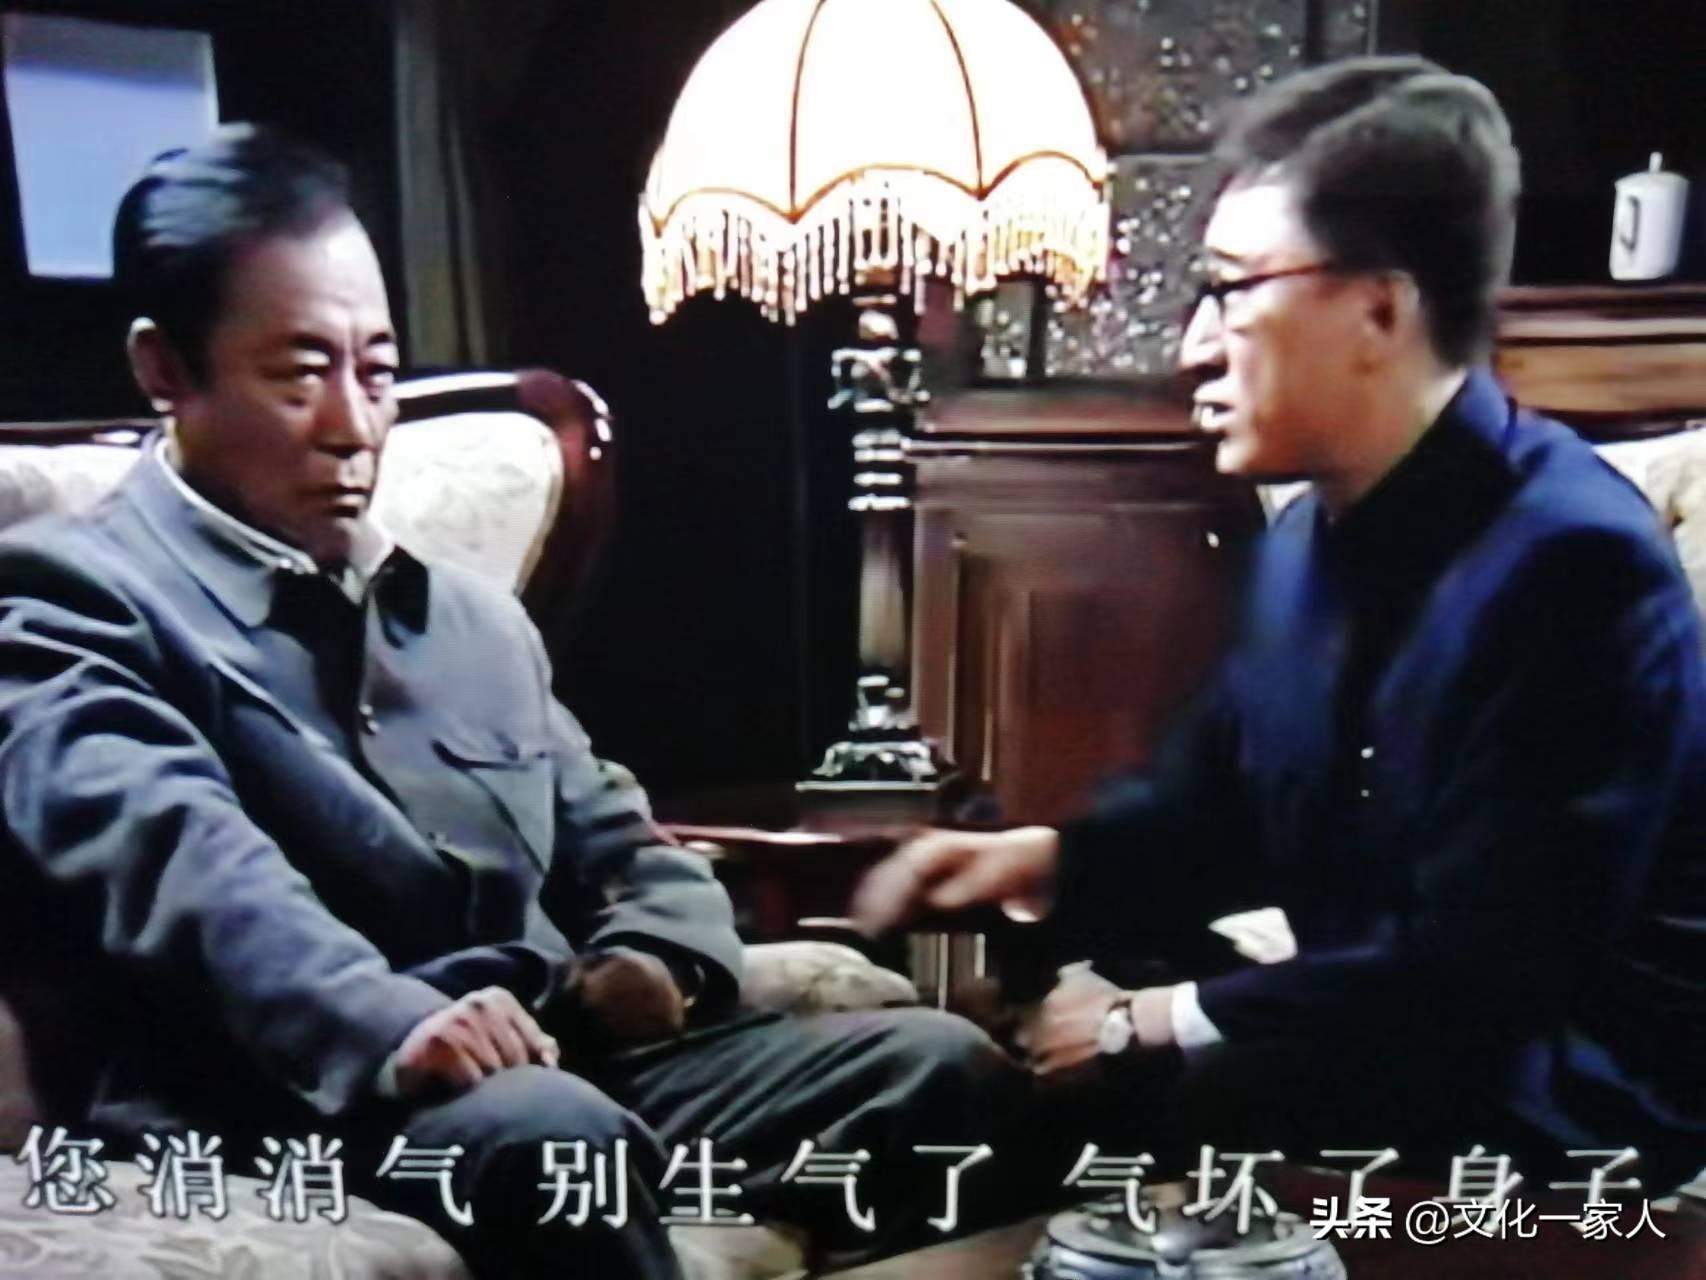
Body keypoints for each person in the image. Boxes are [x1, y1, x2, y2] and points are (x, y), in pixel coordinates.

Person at [0, 125, 1045, 1279]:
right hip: (283, 1096)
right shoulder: (71, 599)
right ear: (165, 370)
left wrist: (658, 957)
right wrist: (390, 1020)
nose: (353, 425)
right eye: (298, 375)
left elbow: (620, 839)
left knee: (939, 1070)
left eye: (376, 372)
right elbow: (189, 871)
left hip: (550, 1063)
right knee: (557, 1140)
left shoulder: (467, 618)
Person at [856, 56, 1706, 1192]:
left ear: (1379, 310)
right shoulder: (1306, 535)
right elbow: (1218, 807)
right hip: (1384, 1037)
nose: (1193, 348)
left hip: (1564, 1097)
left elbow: (1484, 965)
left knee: (1127, 1108)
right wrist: (1041, 861)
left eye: (1232, 290)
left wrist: (1147, 1022)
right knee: (981, 1078)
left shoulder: (1574, 563)